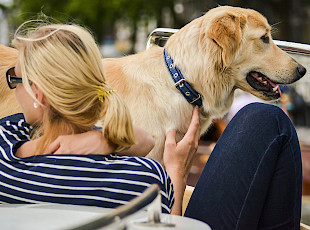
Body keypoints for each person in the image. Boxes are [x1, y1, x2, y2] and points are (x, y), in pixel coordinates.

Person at [0, 21, 302, 230]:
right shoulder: (141, 178)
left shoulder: (6, 142)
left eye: (15, 80)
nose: (12, 88)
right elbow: (172, 222)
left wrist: (102, 140)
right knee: (267, 120)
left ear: (38, 94)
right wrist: (176, 173)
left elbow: (142, 141)